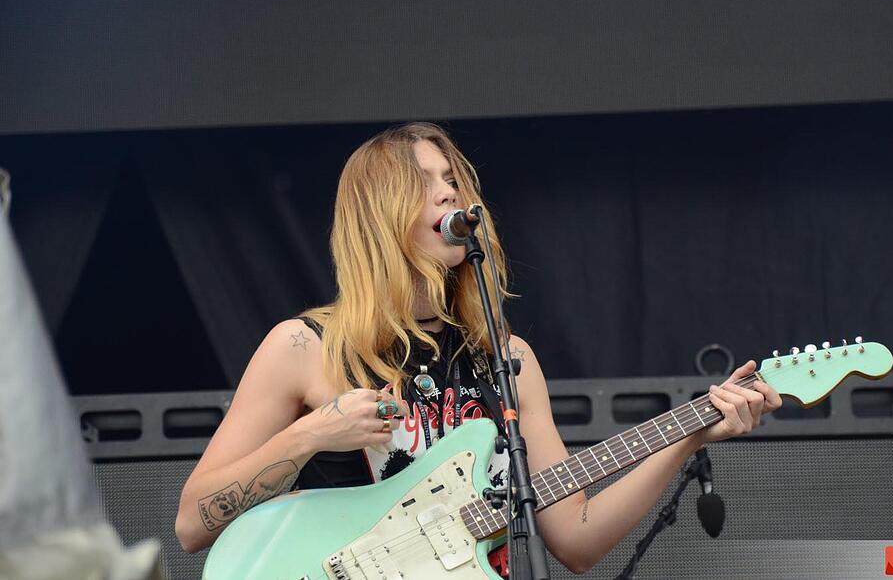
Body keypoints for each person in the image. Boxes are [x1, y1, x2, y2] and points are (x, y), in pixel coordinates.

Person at [174, 122, 782, 574]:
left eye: (452, 179)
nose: (449, 195)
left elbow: (576, 537)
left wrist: (690, 435)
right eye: (423, 182)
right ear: (376, 214)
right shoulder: (305, 348)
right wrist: (312, 435)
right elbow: (192, 523)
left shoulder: (509, 358)